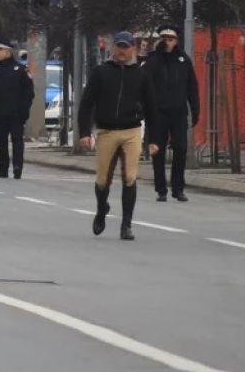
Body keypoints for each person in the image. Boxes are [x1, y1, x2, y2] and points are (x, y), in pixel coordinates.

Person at [77, 31, 160, 241]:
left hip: (131, 131)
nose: (122, 51)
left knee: (130, 177)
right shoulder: (101, 72)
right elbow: (87, 103)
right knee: (102, 179)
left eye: (126, 47)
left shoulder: (141, 75)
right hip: (106, 131)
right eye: (119, 46)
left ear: (132, 48)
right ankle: (101, 209)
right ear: (113, 48)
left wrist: (154, 139)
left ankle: (126, 225)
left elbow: (151, 108)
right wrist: (85, 132)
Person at [145, 24, 200, 203]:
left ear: (176, 41)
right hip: (158, 113)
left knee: (181, 149)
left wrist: (195, 108)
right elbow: (143, 87)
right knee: (157, 151)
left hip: (178, 112)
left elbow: (192, 86)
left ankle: (178, 188)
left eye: (171, 39)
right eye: (164, 39)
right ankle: (161, 189)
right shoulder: (153, 61)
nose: (167, 42)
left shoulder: (183, 60)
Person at [0, 40, 34, 179]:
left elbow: (28, 92)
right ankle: (2, 168)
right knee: (1, 141)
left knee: (17, 140)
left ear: (7, 52)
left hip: (15, 113)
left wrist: (24, 110)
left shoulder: (20, 70)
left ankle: (17, 167)